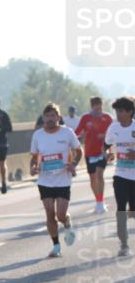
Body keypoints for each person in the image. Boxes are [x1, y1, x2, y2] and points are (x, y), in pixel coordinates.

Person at [30, 103, 82, 258]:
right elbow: (34, 157)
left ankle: (66, 222)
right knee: (49, 214)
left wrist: (73, 164)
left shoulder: (67, 133)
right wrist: (33, 168)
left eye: (53, 116)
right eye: (47, 116)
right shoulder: (38, 135)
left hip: (63, 180)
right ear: (43, 118)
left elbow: (79, 151)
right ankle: (56, 245)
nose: (50, 119)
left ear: (59, 117)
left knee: (60, 214)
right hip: (45, 181)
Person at [105, 96, 135, 257]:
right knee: (121, 209)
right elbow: (107, 145)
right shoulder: (113, 127)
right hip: (120, 175)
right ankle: (124, 245)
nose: (118, 114)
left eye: (121, 111)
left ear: (130, 111)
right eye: (116, 110)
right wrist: (108, 154)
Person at [75, 96, 113, 214]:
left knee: (99, 174)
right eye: (95, 107)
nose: (98, 110)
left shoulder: (107, 118)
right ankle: (98, 201)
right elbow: (77, 133)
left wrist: (106, 138)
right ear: (91, 107)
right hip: (90, 152)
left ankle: (101, 203)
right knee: (92, 178)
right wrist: (83, 135)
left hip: (102, 151)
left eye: (100, 107)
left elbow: (113, 133)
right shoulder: (86, 118)